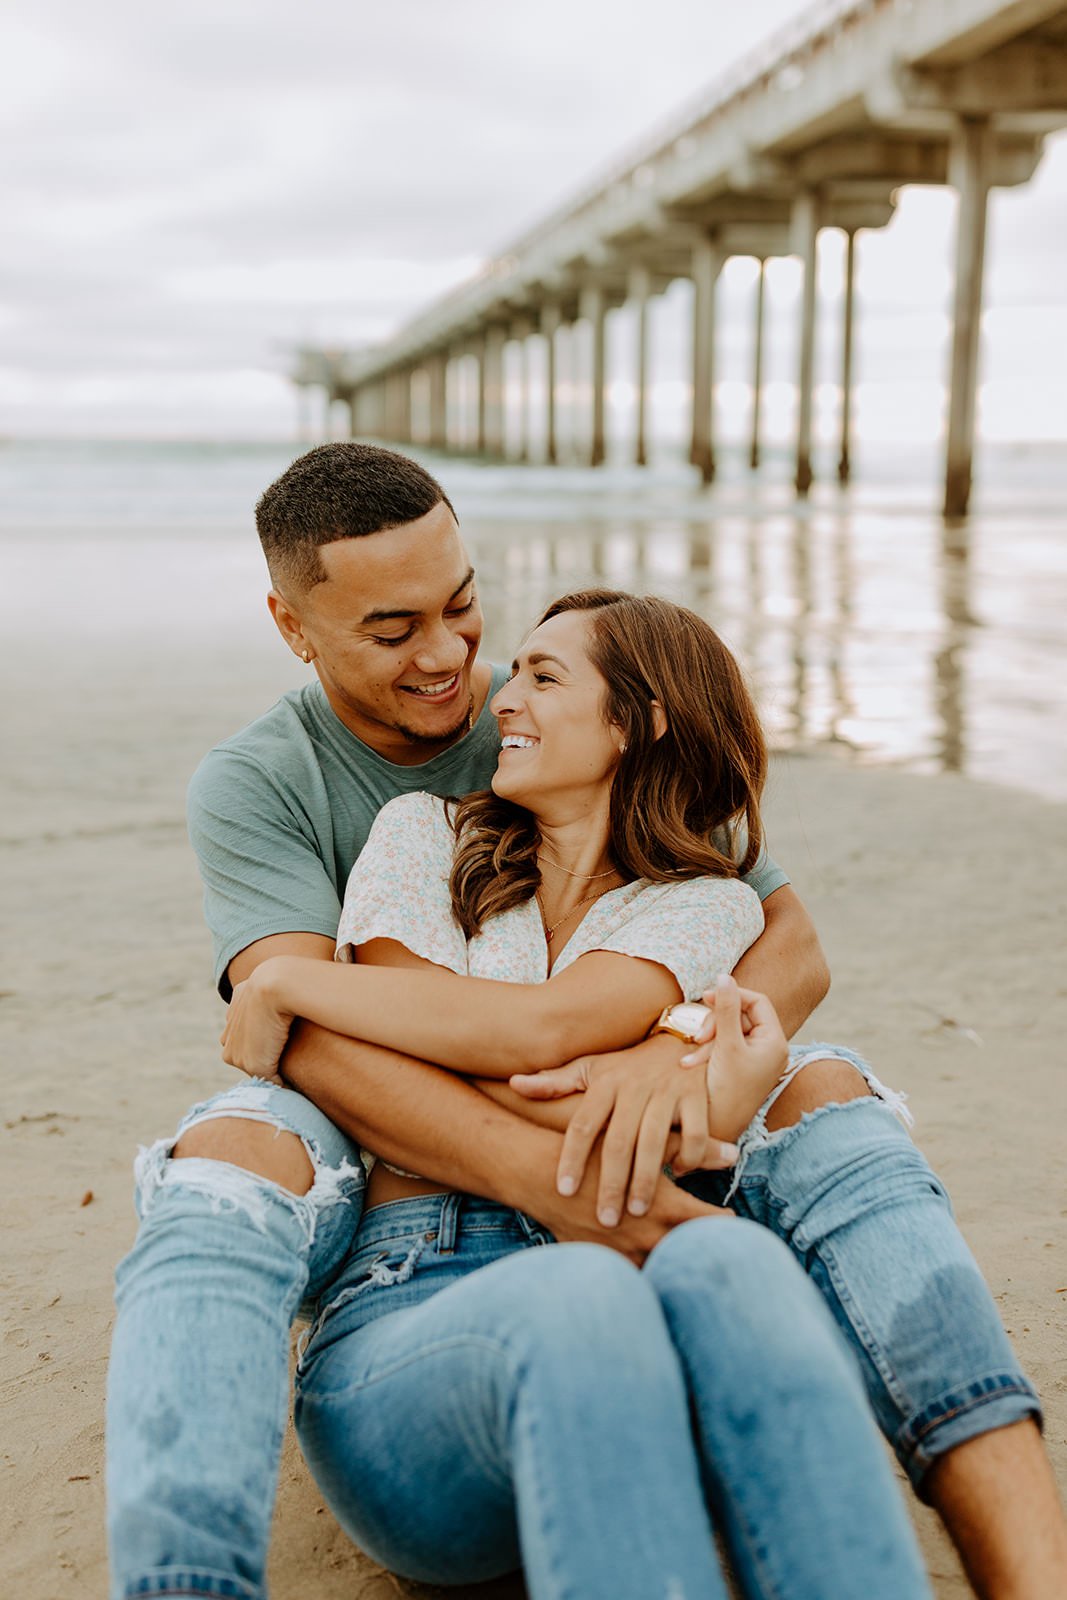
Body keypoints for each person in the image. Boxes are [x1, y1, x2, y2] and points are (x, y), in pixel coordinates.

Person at [106, 443, 1063, 1600]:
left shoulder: (581, 737)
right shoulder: (337, 799)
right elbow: (319, 1051)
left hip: (630, 1162)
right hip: (407, 1184)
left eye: (464, 606)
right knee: (235, 1136)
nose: (463, 662)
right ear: (293, 625)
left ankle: (1027, 1560)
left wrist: (675, 1056)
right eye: (395, 628)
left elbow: (786, 945)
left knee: (820, 1092)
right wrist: (567, 1160)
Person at [214, 588, 932, 1597]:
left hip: (629, 1309)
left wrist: (297, 988)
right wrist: (674, 1100)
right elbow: (467, 1045)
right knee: (592, 1285)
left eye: (544, 676)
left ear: (637, 721)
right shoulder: (421, 831)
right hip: (416, 1284)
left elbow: (529, 1034)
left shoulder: (705, 904)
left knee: (736, 1262)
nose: (501, 695)